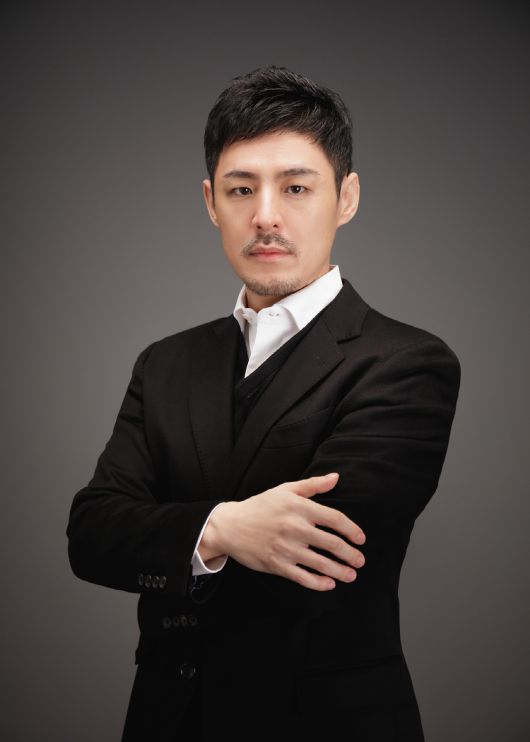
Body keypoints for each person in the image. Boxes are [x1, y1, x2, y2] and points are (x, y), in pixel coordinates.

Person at [66, 65, 461, 742]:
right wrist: (223, 528)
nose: (266, 216)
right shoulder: (165, 363)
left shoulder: (408, 362)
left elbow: (318, 550)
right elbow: (92, 534)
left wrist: (170, 533)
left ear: (347, 197)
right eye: (241, 188)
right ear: (211, 202)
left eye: (296, 187)